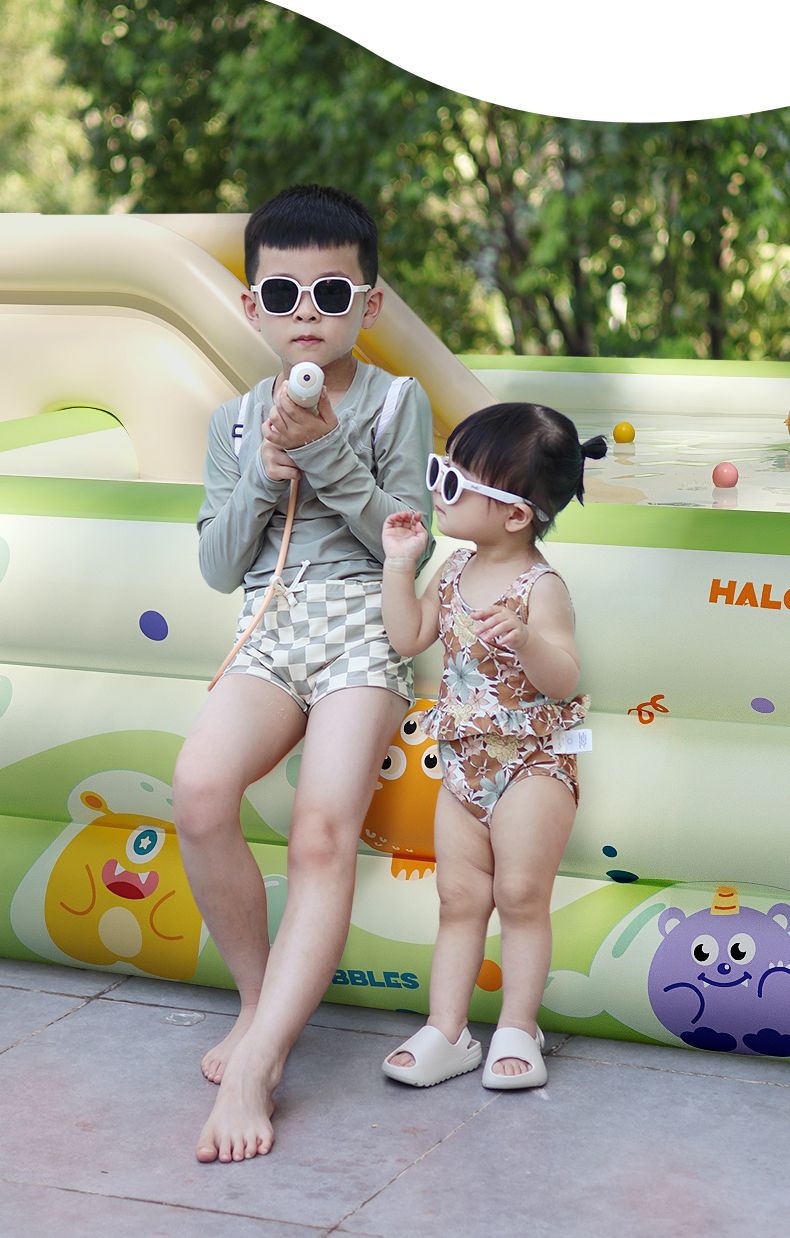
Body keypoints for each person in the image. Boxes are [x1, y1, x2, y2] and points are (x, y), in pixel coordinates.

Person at [173, 184, 434, 1161]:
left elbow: (404, 541)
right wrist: (261, 475)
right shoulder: (235, 420)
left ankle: (259, 1064)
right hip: (270, 628)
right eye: (284, 295)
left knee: (322, 830)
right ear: (254, 307)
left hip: (364, 628)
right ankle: (258, 1004)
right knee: (200, 790)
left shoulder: (398, 403)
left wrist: (326, 456)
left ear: (370, 302)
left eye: (332, 292)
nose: (307, 314)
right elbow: (218, 567)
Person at [379, 403, 606, 1090]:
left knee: (520, 893)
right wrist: (399, 566)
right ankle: (447, 1030)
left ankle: (517, 1027)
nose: (438, 490)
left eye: (453, 482)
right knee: (457, 897)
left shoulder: (542, 587)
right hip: (463, 765)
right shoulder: (452, 568)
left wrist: (528, 639)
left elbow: (564, 676)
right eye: (439, 472)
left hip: (531, 764)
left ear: (514, 515)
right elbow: (408, 636)